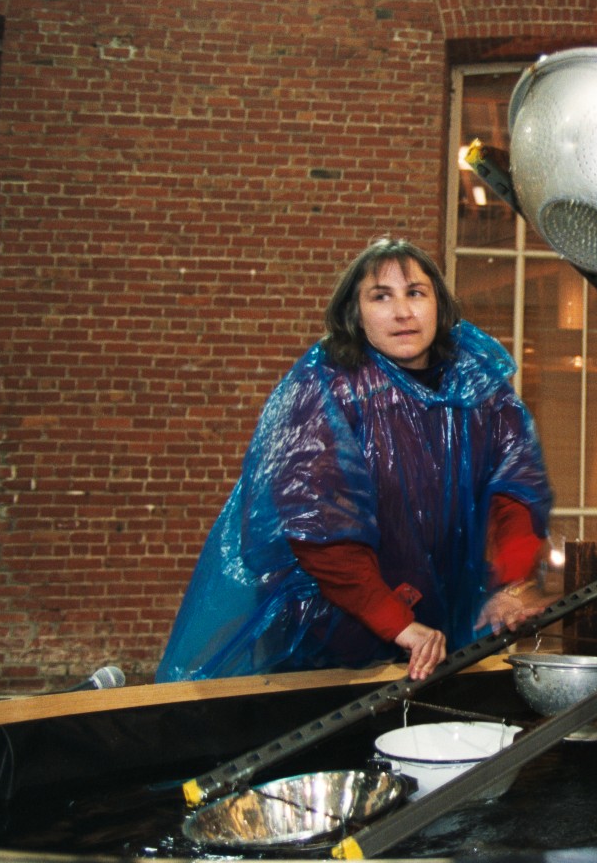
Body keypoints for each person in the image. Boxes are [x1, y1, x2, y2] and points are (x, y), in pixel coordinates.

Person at [156, 238, 553, 683]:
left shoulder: (476, 386)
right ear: (355, 313)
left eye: (415, 293)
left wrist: (515, 580)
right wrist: (396, 621)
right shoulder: (325, 390)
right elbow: (318, 530)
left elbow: (515, 486)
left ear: (439, 305)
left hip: (438, 633)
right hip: (330, 641)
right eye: (381, 296)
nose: (403, 312)